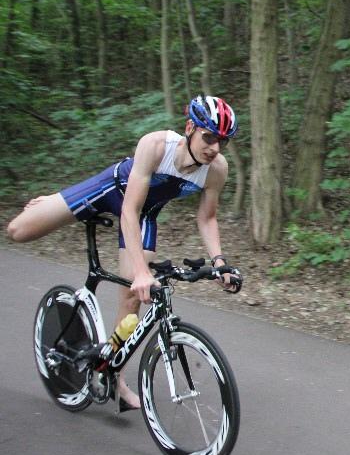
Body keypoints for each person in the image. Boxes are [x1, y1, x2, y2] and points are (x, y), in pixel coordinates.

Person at [7, 94, 242, 411]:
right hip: (109, 191)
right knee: (18, 231)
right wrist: (142, 271)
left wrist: (220, 263)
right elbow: (128, 210)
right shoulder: (156, 145)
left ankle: (113, 374)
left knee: (134, 296)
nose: (214, 147)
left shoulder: (216, 169)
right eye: (209, 137)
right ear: (190, 128)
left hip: (145, 214)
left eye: (222, 141)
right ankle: (56, 200)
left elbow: (207, 218)